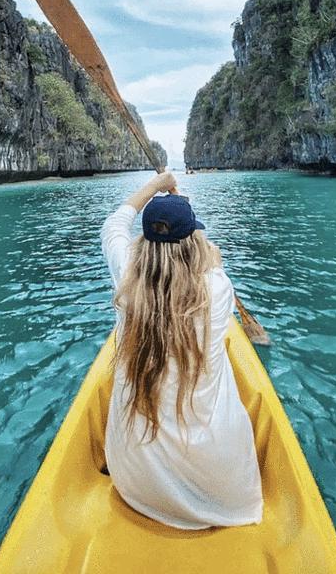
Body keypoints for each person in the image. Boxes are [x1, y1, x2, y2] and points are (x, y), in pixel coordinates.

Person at [100, 171, 263, 530]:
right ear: (194, 245)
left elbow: (114, 224)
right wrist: (182, 205)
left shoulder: (126, 277)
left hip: (136, 485)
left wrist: (156, 187)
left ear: (143, 243)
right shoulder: (217, 287)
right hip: (222, 490)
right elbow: (201, 247)